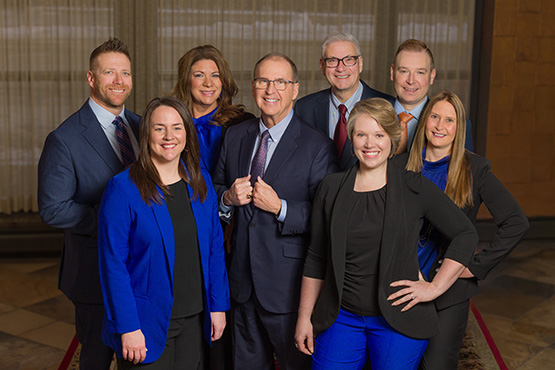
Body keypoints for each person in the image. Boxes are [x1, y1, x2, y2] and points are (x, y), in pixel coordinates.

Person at [294, 98, 478, 370]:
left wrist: (435, 287)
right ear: (351, 137)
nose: (370, 144)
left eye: (379, 135)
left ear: (392, 139)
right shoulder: (331, 188)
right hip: (341, 317)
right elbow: (316, 257)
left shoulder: (414, 187)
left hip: (398, 318)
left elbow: (465, 233)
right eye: (361, 135)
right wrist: (303, 317)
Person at [212, 53, 339, 370]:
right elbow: (212, 191)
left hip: (288, 289)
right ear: (253, 87)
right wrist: (227, 197)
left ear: (295, 89)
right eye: (263, 81)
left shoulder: (317, 146)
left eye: (280, 81)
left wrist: (280, 208)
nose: (271, 89)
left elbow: (327, 218)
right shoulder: (236, 136)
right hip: (241, 283)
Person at [400, 91, 529, 370]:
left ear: (459, 128)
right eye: (434, 117)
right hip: (405, 282)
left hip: (450, 287)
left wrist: (476, 266)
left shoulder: (475, 169)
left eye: (449, 120)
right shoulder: (400, 166)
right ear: (424, 121)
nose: (439, 126)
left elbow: (516, 221)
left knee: (435, 365)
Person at [98, 96, 230, 369]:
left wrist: (218, 306)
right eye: (159, 128)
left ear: (187, 134)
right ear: (146, 134)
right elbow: (113, 265)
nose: (169, 136)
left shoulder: (200, 180)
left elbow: (215, 248)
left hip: (195, 317)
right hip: (146, 324)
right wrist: (128, 327)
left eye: (177, 127)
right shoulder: (123, 188)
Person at [37, 37, 139, 369]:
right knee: (96, 356)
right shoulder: (64, 139)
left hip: (140, 270)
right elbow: (53, 207)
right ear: (91, 78)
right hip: (93, 273)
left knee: (136, 355)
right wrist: (114, 222)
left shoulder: (142, 126)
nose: (119, 81)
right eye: (109, 72)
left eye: (125, 73)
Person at [295, 31, 394, 170]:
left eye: (348, 60)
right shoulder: (304, 108)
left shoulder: (389, 105)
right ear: (322, 66)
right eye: (332, 61)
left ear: (360, 63)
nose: (340, 68)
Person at [171, 45, 255, 175]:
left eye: (215, 75)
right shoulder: (171, 123)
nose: (208, 83)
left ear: (223, 80)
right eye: (199, 75)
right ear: (186, 80)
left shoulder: (243, 123)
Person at [390, 39, 473, 153]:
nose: (411, 80)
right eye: (404, 71)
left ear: (432, 76)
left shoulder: (456, 125)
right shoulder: (371, 115)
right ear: (392, 72)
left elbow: (464, 168)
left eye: (420, 72)